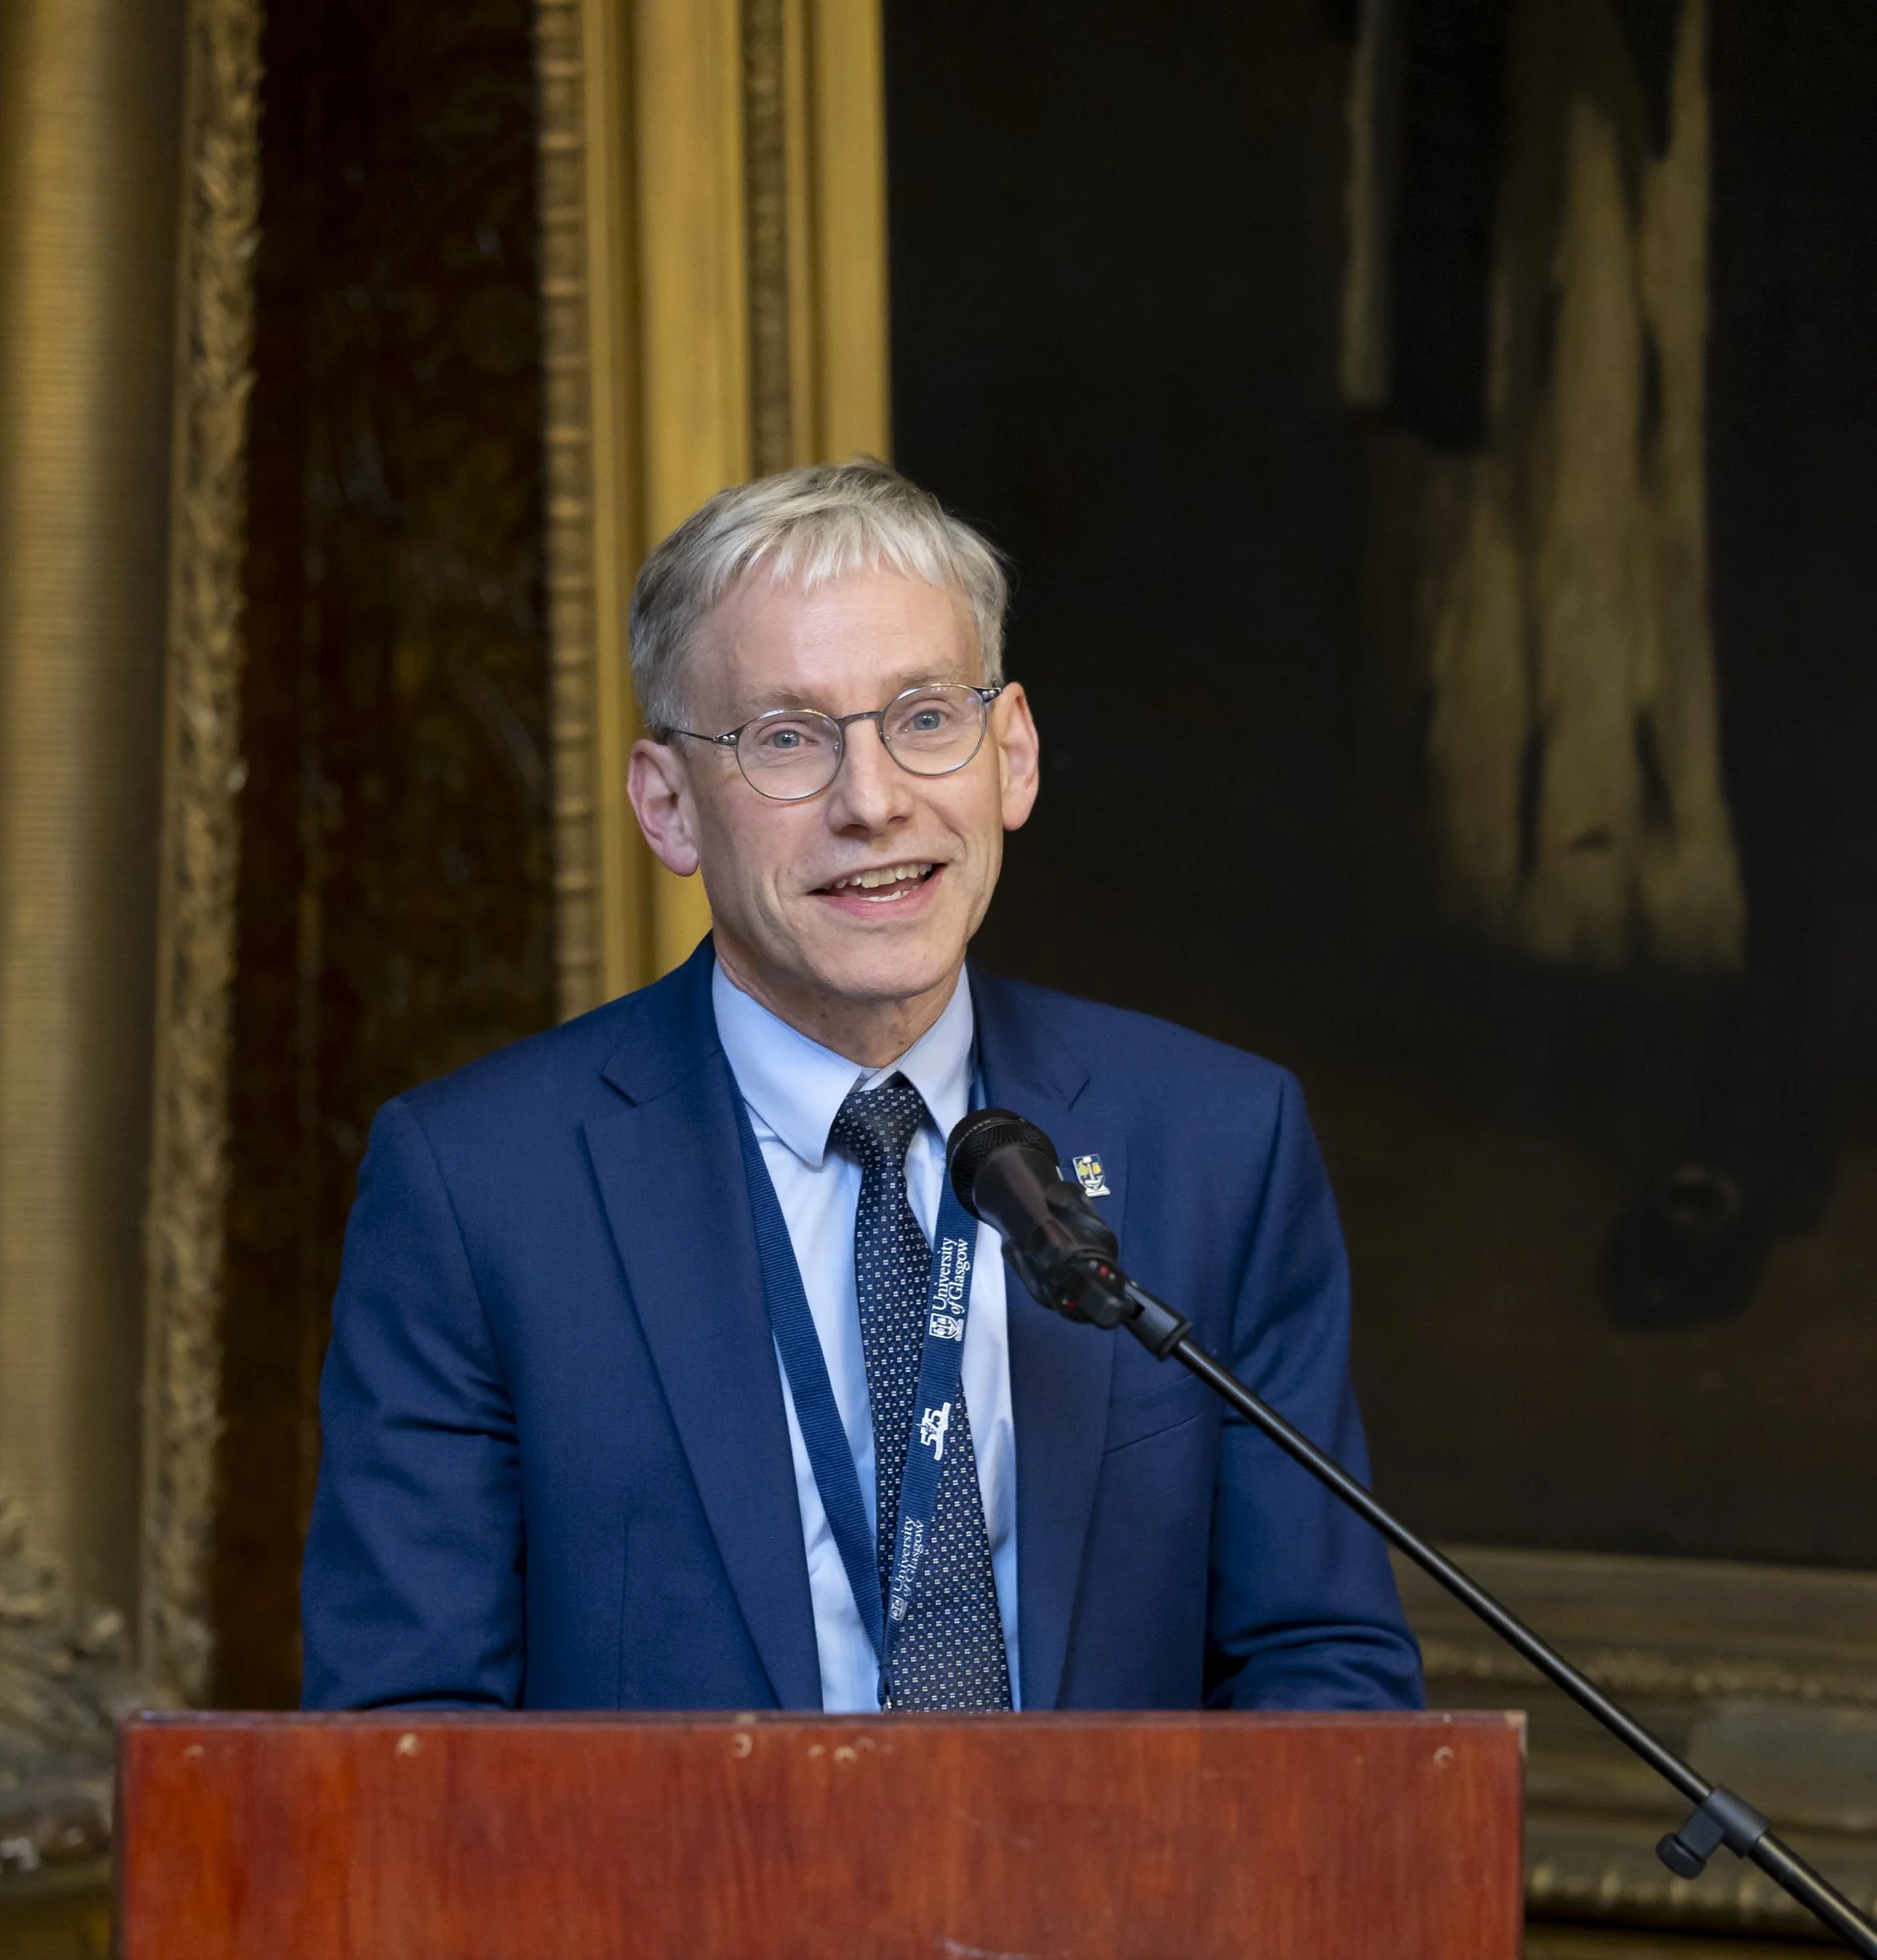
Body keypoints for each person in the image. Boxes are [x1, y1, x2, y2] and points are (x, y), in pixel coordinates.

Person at [300, 460, 1421, 1715]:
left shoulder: (1214, 1140)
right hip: (680, 1910)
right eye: (786, 740)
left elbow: (1323, 1672)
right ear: (669, 808)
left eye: (925, 719)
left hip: (1110, 1908)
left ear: (1014, 755)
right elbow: (406, 1730)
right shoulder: (479, 1189)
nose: (874, 802)